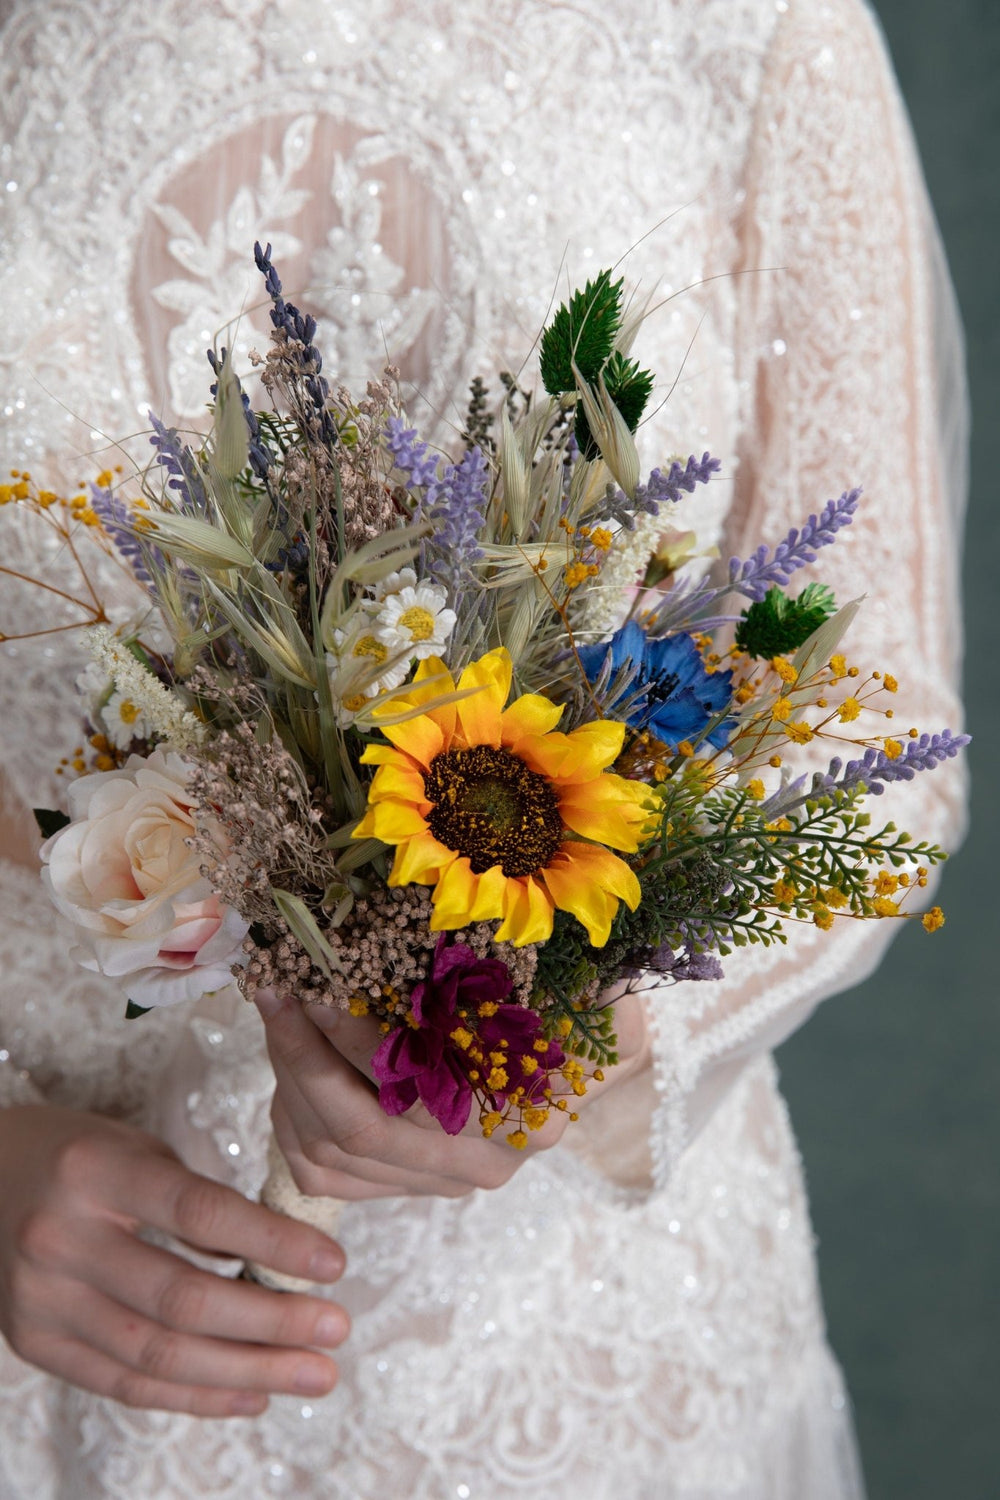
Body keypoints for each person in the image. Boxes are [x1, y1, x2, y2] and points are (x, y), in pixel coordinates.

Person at [0, 0, 967, 1495]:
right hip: (50, 1347)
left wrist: (582, 1049)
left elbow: (888, 737)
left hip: (578, 1375)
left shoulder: (761, 27)